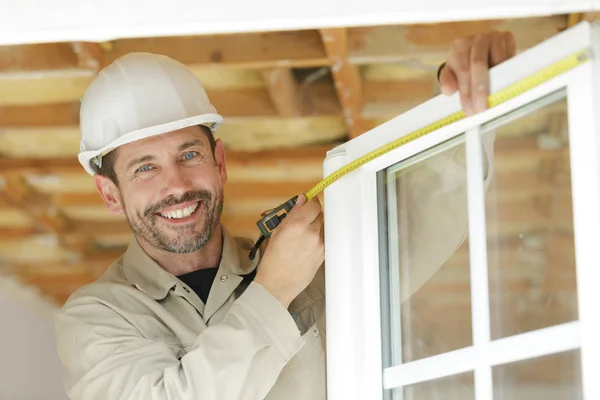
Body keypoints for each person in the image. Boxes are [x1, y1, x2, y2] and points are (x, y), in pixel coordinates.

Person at [54, 31, 516, 399]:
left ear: (220, 163)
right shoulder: (99, 317)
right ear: (109, 194)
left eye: (189, 154)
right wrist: (274, 290)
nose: (175, 184)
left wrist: (462, 102)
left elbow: (423, 215)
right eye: (145, 168)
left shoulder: (308, 262)